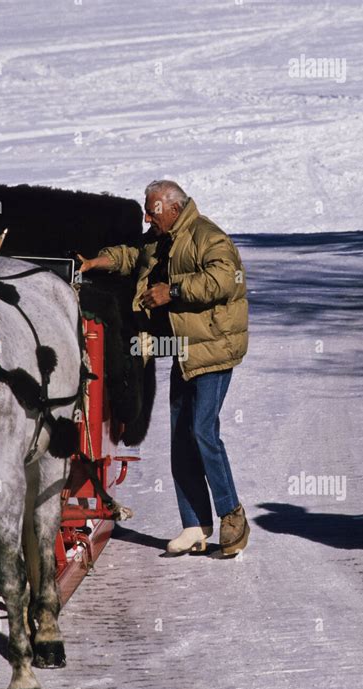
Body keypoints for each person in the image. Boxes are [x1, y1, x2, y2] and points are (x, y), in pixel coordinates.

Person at [77, 180, 250, 556]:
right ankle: (194, 525)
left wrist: (171, 291)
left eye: (151, 210)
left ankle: (232, 515)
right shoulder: (160, 238)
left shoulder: (209, 237)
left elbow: (223, 279)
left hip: (214, 348)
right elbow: (131, 255)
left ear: (173, 208)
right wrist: (95, 262)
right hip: (184, 350)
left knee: (203, 430)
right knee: (180, 439)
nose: (146, 216)